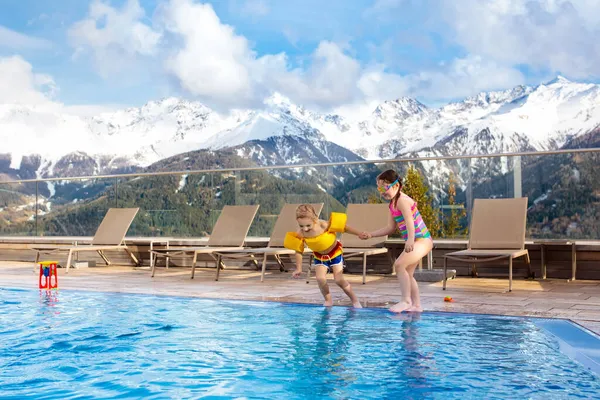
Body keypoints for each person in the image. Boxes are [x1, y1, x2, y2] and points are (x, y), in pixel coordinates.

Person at [359, 169, 433, 313]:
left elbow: (409, 221)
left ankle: (406, 301)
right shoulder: (392, 204)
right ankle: (416, 305)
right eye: (379, 188)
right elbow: (390, 228)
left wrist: (410, 240)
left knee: (399, 265)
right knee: (408, 273)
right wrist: (371, 234)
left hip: (422, 240)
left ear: (396, 186)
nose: (382, 192)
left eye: (384, 187)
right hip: (417, 241)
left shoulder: (402, 201)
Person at [284, 204, 363, 308]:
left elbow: (344, 228)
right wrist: (298, 268)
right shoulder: (301, 233)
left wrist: (359, 233)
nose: (305, 229)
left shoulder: (323, 225)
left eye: (308, 225)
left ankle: (354, 300)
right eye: (301, 226)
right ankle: (328, 300)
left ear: (315, 219)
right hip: (320, 257)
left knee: (339, 280)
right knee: (320, 279)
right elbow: (298, 250)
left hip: (335, 253)